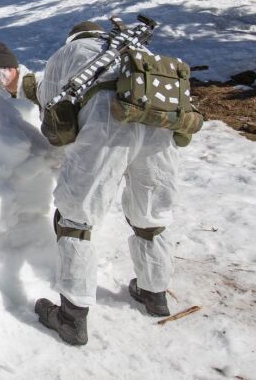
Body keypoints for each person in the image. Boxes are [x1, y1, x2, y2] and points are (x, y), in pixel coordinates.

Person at [34, 21, 179, 346]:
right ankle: (154, 292)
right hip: (158, 124)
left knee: (75, 217)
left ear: (74, 36)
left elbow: (49, 106)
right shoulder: (136, 49)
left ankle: (71, 318)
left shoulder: (67, 52)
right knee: (150, 213)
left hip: (109, 124)